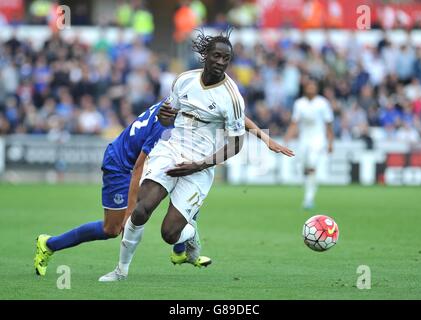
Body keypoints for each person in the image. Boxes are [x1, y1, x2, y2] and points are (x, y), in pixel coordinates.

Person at [99, 29, 294, 282]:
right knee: (140, 211)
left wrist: (199, 165)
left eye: (226, 59)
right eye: (217, 56)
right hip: (170, 151)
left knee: (169, 234)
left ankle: (188, 233)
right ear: (205, 56)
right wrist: (164, 117)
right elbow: (167, 116)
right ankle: (121, 271)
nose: (221, 62)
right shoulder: (184, 80)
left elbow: (236, 144)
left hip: (200, 165)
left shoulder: (232, 97)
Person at [34, 96, 293, 277]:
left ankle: (180, 250)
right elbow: (138, 167)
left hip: (138, 161)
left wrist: (266, 139)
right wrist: (128, 213)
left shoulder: (185, 104)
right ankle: (49, 244)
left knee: (183, 186)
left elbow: (236, 117)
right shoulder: (167, 127)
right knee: (112, 229)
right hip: (121, 164)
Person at [284, 79, 333, 210]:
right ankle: (308, 190)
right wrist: (287, 137)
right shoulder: (299, 103)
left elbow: (328, 124)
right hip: (304, 139)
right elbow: (294, 123)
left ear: (317, 88)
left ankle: (309, 198)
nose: (311, 88)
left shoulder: (323, 103)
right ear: (305, 88)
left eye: (313, 86)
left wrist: (330, 142)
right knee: (305, 166)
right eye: (309, 86)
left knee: (312, 163)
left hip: (318, 138)